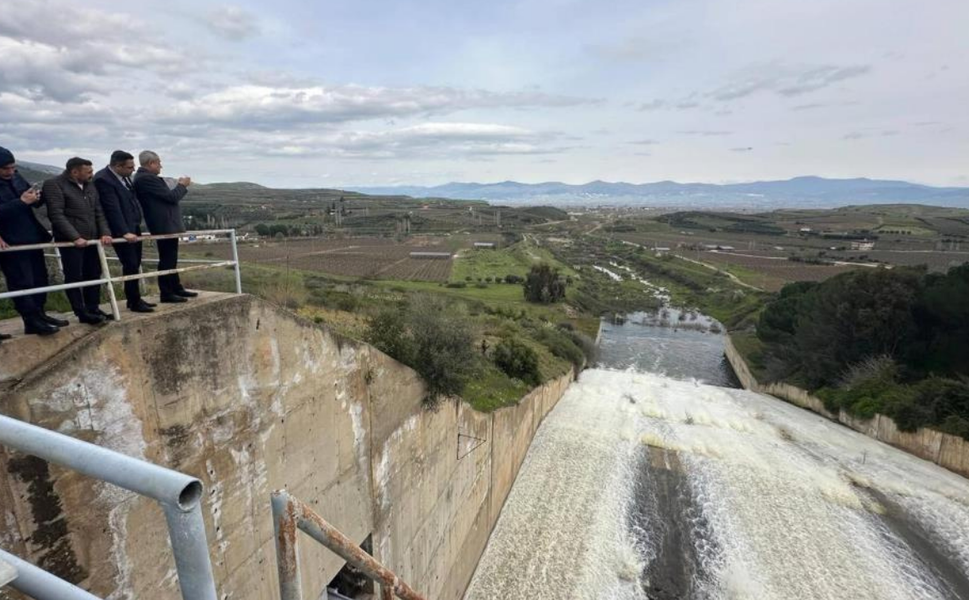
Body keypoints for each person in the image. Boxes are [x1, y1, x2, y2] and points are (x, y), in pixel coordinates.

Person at [0, 147, 65, 336]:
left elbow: (31, 200)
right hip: (11, 241)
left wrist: (38, 196)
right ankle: (31, 320)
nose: (10, 172)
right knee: (22, 281)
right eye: (5, 169)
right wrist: (21, 202)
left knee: (39, 278)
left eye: (13, 167)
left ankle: (40, 314)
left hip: (31, 235)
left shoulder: (16, 177)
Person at [43, 157, 113, 325]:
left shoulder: (90, 186)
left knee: (94, 273)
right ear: (75, 172)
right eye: (88, 172)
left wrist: (104, 232)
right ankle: (81, 311)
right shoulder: (54, 184)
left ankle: (93, 307)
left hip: (92, 239)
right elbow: (56, 214)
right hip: (71, 241)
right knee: (74, 276)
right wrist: (75, 237)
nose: (92, 174)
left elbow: (98, 212)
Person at [95, 151, 154, 313]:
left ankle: (134, 299)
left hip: (133, 226)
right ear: (118, 166)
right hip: (121, 230)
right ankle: (134, 301)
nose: (133, 170)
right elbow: (111, 208)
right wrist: (123, 232)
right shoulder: (103, 179)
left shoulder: (124, 177)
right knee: (130, 264)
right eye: (130, 167)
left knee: (135, 264)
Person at [133, 150, 196, 303]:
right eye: (159, 163)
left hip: (165, 224)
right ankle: (167, 292)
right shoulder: (146, 179)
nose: (161, 166)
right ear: (151, 163)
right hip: (163, 224)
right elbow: (171, 197)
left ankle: (176, 287)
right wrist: (182, 185)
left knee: (171, 258)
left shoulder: (146, 178)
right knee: (167, 259)